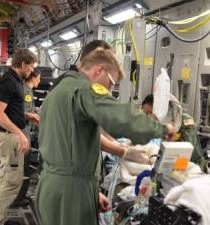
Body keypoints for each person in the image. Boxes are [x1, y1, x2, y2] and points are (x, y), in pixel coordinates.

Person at [36, 49, 175, 225]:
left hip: (50, 187)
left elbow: (70, 145)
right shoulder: (85, 89)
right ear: (99, 70)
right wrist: (161, 129)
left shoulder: (57, 92)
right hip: (71, 193)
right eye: (110, 83)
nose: (109, 90)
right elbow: (118, 116)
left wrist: (93, 192)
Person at [0, 49, 38, 225]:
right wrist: (19, 134)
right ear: (23, 64)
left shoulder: (14, 80)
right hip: (9, 138)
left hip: (8, 135)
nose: (32, 71)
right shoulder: (9, 81)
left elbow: (9, 110)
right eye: (31, 67)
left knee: (5, 179)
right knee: (12, 182)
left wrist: (27, 116)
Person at [141, 94, 206, 165]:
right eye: (145, 114)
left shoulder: (185, 120)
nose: (148, 117)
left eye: (149, 112)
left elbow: (189, 152)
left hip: (195, 166)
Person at [12, 68, 41, 207]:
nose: (39, 81)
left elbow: (24, 108)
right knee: (23, 165)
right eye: (39, 78)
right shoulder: (27, 90)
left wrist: (33, 111)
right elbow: (20, 111)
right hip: (23, 130)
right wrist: (31, 115)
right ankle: (18, 197)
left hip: (22, 129)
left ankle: (17, 195)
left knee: (20, 164)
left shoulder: (24, 89)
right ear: (34, 78)